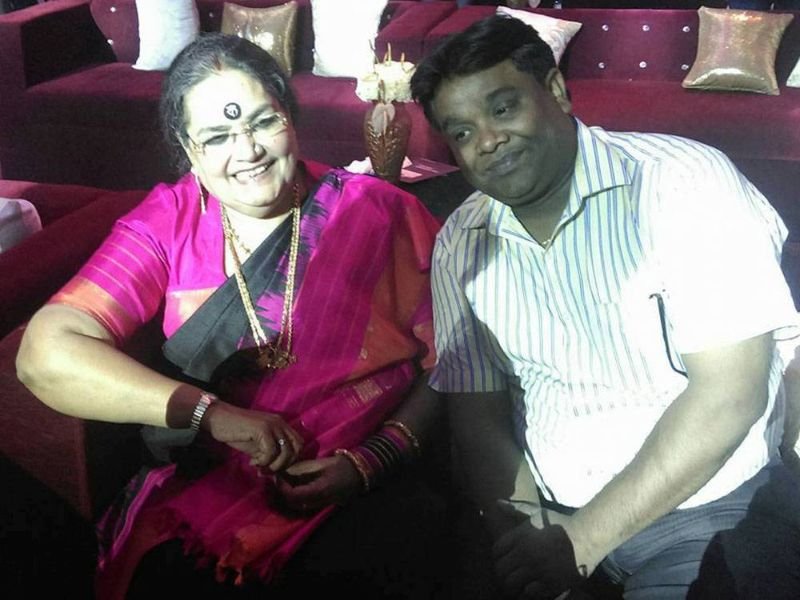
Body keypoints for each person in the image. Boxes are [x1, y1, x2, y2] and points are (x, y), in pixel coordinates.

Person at [16, 33, 446, 599]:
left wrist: (373, 459)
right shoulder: (168, 223)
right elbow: (45, 353)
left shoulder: (381, 211)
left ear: (290, 117)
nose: (247, 152)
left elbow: (454, 360)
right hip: (212, 494)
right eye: (217, 136)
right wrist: (213, 415)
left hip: (367, 477)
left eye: (263, 123)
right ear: (188, 150)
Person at [410, 14, 800, 600]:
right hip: (547, 515)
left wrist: (582, 540)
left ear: (557, 91)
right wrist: (529, 537)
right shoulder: (462, 241)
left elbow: (730, 395)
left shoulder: (681, 184)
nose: (487, 141)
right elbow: (478, 414)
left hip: (700, 511)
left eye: (503, 109)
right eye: (461, 132)